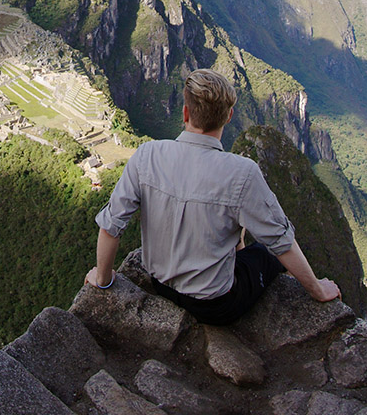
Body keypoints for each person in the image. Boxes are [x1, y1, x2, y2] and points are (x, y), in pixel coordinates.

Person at [85, 68, 340, 324]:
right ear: (228, 116)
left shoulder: (146, 155)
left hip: (160, 285)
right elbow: (281, 241)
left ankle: (236, 249)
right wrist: (318, 290)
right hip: (216, 306)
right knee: (267, 252)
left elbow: (111, 226)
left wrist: (103, 280)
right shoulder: (242, 172)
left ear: (185, 112)